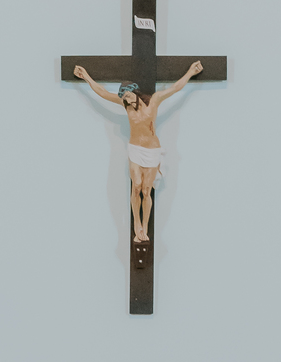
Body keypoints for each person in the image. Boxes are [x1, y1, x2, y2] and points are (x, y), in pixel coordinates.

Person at [72, 59, 203, 243]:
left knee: (147, 190)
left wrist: (190, 73)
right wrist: (86, 77)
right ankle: (137, 226)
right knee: (136, 187)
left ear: (134, 91)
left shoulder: (154, 101)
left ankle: (145, 227)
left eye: (128, 95)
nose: (126, 99)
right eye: (123, 98)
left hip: (152, 151)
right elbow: (102, 93)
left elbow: (174, 89)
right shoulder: (127, 108)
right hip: (135, 150)